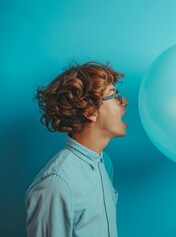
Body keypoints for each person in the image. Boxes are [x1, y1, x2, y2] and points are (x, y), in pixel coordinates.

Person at [25, 62, 128, 237]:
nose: (124, 101)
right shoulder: (56, 184)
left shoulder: (105, 163)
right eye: (114, 95)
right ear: (90, 111)